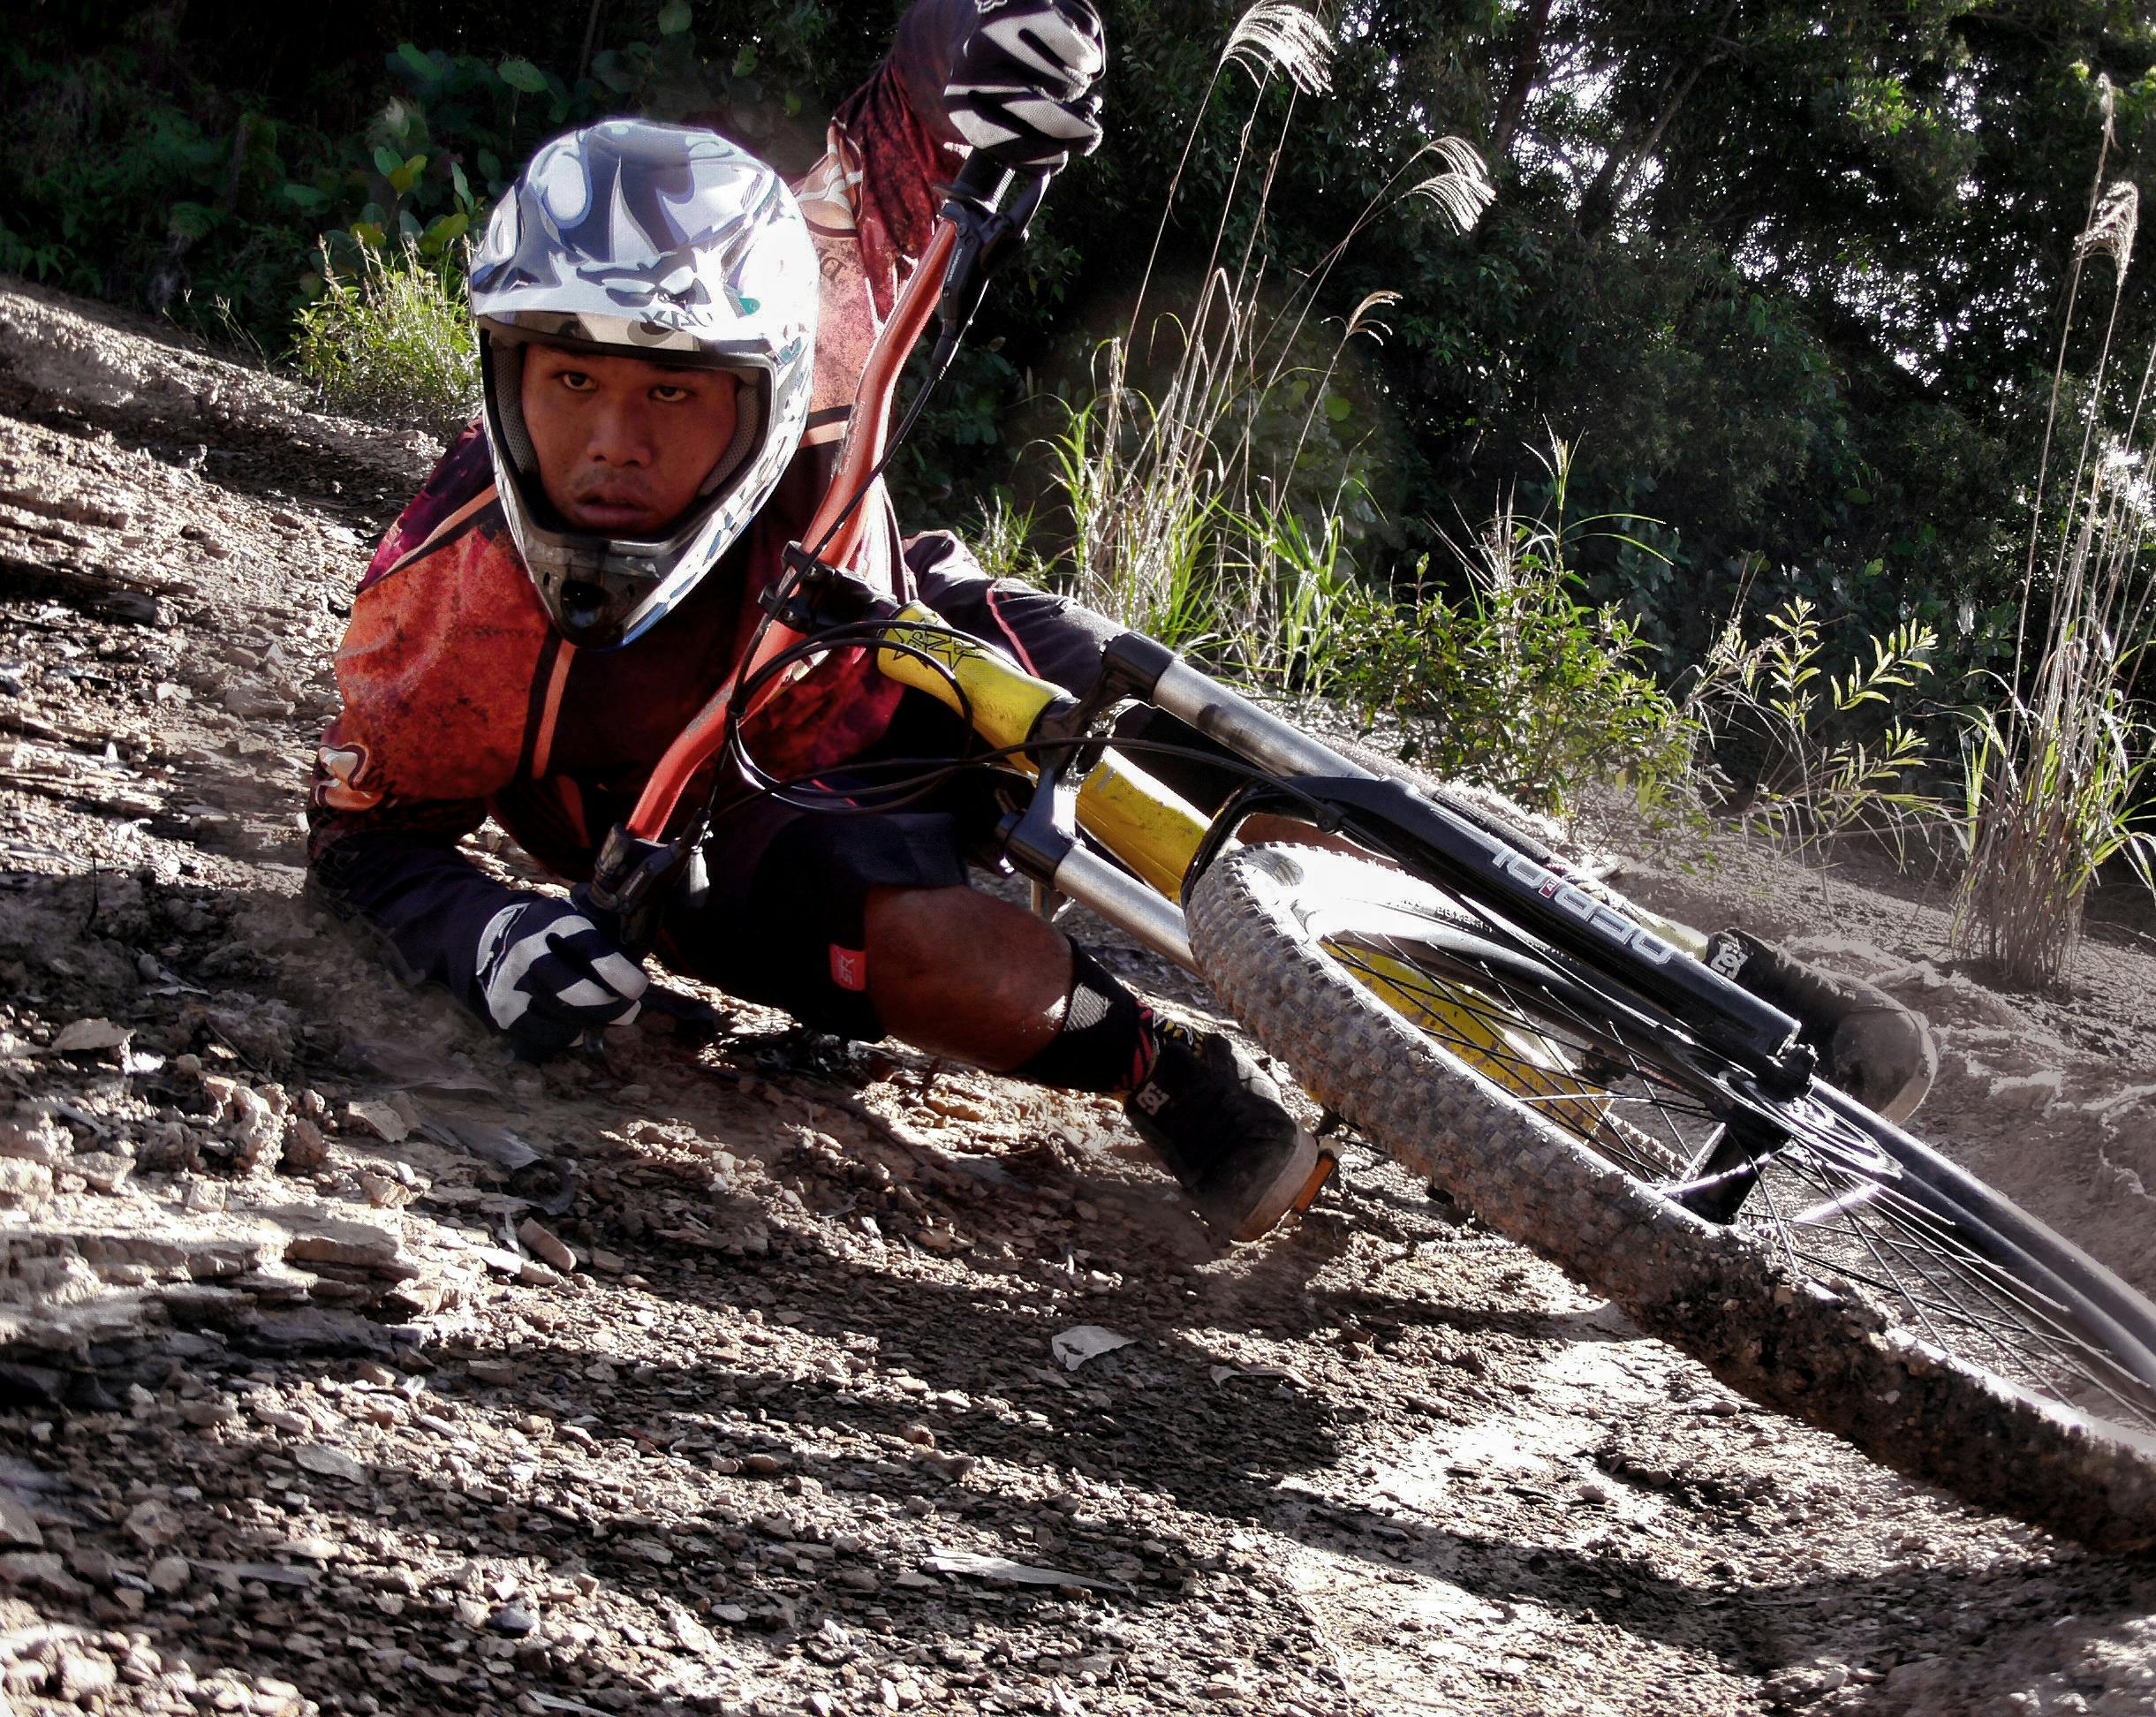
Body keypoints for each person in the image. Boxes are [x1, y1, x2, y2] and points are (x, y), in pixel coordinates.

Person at [308, 0, 1933, 1247]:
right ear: (502, 371)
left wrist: (1009, 33)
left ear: (767, 376)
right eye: (568, 381)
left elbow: (914, 108)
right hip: (733, 826)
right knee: (941, 955)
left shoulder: (815, 289)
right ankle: (1169, 1078)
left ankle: (1710, 979)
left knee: (1290, 781)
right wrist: (486, 939)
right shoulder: (447, 598)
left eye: (671, 394)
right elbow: (368, 845)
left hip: (904, 630)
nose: (610, 442)